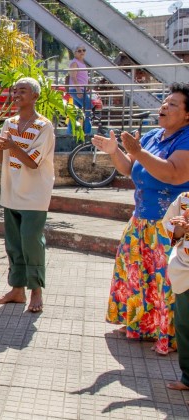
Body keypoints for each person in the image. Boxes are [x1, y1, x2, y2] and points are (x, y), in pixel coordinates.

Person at [94, 83, 189, 355]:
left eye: (173, 104)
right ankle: (143, 326)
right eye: (164, 102)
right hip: (141, 220)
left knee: (166, 280)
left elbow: (174, 174)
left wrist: (138, 152)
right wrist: (115, 151)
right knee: (140, 275)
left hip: (171, 225)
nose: (164, 106)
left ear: (187, 115)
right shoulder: (153, 136)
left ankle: (170, 335)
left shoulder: (186, 139)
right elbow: (130, 168)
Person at [0, 77, 56, 313]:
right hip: (11, 192)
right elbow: (2, 158)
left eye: (23, 90)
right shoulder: (9, 123)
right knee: (14, 244)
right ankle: (17, 290)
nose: (16, 94)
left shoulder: (44, 126)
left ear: (35, 96)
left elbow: (33, 163)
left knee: (31, 241)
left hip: (35, 195)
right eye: (15, 91)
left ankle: (36, 291)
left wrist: (13, 145)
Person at [162, 193, 189, 390]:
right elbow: (169, 226)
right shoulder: (184, 199)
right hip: (184, 271)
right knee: (184, 324)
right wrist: (179, 230)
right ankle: (188, 377)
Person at [68, 44, 92, 134]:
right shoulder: (74, 63)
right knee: (88, 107)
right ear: (75, 53)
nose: (82, 52)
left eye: (83, 50)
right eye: (79, 51)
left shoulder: (81, 63)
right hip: (76, 89)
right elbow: (73, 77)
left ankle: (70, 132)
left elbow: (82, 77)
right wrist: (78, 90)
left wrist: (87, 85)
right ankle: (87, 132)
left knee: (76, 112)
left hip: (81, 89)